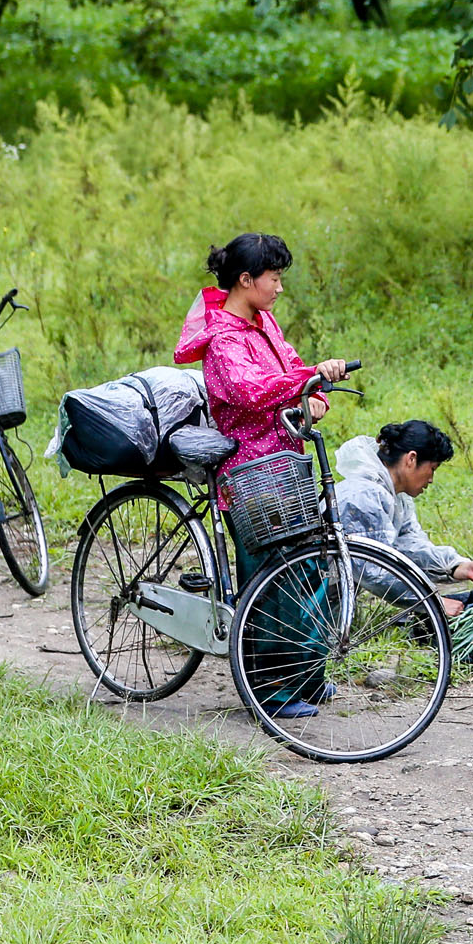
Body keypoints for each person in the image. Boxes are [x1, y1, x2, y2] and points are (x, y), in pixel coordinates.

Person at [175, 233, 351, 721]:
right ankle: (269, 691)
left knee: (306, 568)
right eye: (273, 278)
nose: (278, 287)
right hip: (250, 473)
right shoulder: (224, 339)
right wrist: (311, 376)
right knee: (271, 579)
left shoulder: (263, 322)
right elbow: (252, 392)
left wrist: (316, 394)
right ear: (246, 280)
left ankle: (307, 675)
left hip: (284, 464)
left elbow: (291, 369)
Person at [335, 420, 473, 616]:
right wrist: (433, 603)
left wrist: (458, 567)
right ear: (411, 459)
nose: (431, 479)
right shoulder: (364, 496)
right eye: (432, 468)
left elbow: (409, 546)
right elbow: (375, 571)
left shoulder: (394, 495)